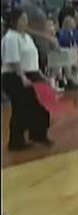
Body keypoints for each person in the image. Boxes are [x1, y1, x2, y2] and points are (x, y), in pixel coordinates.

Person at [1, 8, 53, 150]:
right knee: (21, 107)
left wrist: (42, 77)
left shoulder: (27, 37)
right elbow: (13, 60)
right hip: (14, 75)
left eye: (25, 19)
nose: (25, 22)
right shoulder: (11, 37)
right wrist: (22, 77)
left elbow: (32, 61)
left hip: (32, 73)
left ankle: (39, 134)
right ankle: (16, 141)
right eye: (22, 19)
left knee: (43, 104)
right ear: (14, 21)